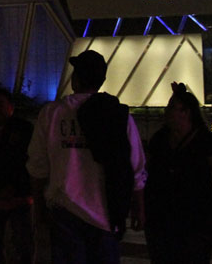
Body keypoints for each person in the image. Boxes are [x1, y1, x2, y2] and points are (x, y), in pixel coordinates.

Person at [26, 50, 146, 264]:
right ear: (102, 80)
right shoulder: (118, 115)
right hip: (107, 211)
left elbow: (38, 167)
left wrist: (39, 208)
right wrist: (138, 206)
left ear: (76, 79)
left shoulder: (52, 114)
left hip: (64, 209)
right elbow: (135, 165)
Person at [144, 82, 212, 264]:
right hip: (162, 212)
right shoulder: (160, 139)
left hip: (197, 214)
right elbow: (145, 171)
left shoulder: (205, 141)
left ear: (186, 112)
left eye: (173, 108)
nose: (167, 112)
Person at [0, 88, 34, 264]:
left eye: (0, 104)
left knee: (23, 245)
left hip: (19, 197)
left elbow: (30, 162)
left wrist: (15, 187)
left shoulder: (25, 130)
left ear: (11, 106)